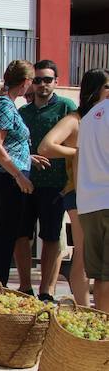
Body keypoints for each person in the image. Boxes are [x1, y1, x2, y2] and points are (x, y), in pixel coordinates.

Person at [39, 68, 109, 306]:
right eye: (107, 87)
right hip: (80, 193)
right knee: (82, 254)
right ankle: (83, 306)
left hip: (87, 194)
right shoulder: (76, 119)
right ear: (96, 90)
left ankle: (88, 310)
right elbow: (46, 146)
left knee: (89, 259)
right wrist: (79, 152)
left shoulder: (89, 120)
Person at [0, 60, 51, 287]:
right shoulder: (4, 104)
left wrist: (27, 158)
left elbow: (9, 143)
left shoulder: (7, 103)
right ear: (25, 82)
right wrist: (18, 175)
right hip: (8, 177)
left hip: (11, 172)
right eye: (33, 81)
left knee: (6, 231)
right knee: (5, 233)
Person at [17, 60, 77, 302]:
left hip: (55, 184)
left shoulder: (66, 107)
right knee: (21, 235)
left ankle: (47, 291)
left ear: (56, 82)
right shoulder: (22, 113)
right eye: (38, 79)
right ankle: (24, 287)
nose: (42, 84)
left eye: (47, 80)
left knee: (51, 238)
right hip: (25, 182)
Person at [74, 75, 109, 312]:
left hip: (89, 204)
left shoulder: (87, 118)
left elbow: (78, 161)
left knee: (100, 277)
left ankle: (102, 334)